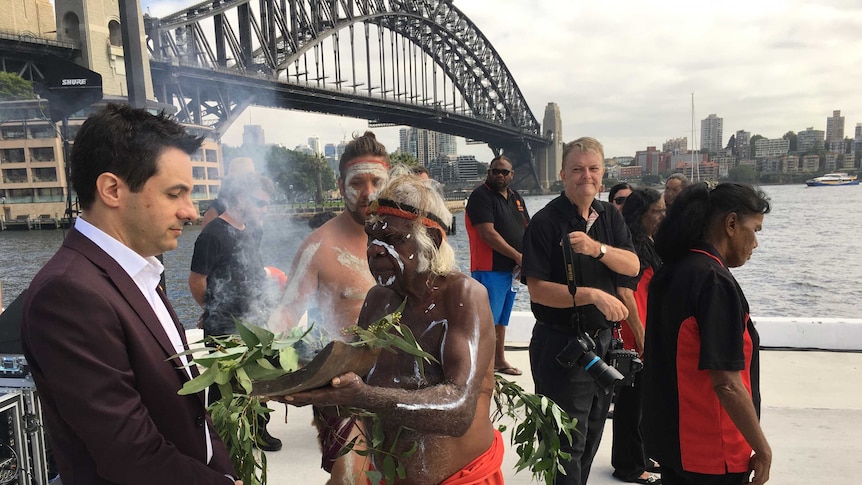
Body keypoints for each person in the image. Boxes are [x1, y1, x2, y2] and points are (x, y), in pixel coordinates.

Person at [20, 104, 240, 484]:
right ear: (112, 190)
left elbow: (190, 412)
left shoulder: (138, 270)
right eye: (175, 194)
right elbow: (128, 454)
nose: (190, 212)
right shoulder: (67, 295)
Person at [284, 169, 501, 484]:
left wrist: (362, 396)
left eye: (393, 239)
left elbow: (458, 410)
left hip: (462, 479)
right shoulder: (378, 299)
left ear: (434, 240)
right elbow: (358, 377)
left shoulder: (463, 296)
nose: (374, 249)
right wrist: (301, 379)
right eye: (371, 237)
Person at [266, 130, 390, 481]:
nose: (368, 193)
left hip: (402, 380)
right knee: (350, 475)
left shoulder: (409, 238)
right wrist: (255, 359)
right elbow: (286, 311)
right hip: (343, 382)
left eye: (376, 181)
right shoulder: (318, 246)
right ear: (340, 185)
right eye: (357, 182)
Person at [521, 137, 640, 485]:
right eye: (577, 169)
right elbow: (538, 291)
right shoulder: (546, 222)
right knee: (563, 445)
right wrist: (590, 295)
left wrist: (596, 249)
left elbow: (632, 265)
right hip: (562, 345)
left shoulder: (608, 217)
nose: (585, 176)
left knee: (590, 435)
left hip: (600, 344)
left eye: (593, 169)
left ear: (602, 174)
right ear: (563, 174)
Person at [643, 183, 772, 485]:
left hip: (675, 444)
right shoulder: (713, 282)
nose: (755, 243)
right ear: (731, 224)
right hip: (713, 451)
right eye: (755, 230)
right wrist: (762, 448)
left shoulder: (672, 270)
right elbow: (726, 383)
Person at [189, 172, 282, 452]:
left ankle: (259, 430)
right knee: (222, 386)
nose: (264, 209)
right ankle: (219, 442)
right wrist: (213, 310)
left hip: (255, 319)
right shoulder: (212, 235)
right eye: (259, 202)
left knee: (259, 377)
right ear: (240, 198)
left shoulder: (253, 229)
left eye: (267, 204)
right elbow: (197, 282)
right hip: (223, 326)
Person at [611, 188, 665, 485]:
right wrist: (643, 339)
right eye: (657, 211)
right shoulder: (632, 249)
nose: (662, 215)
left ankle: (640, 456)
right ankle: (628, 465)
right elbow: (627, 295)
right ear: (641, 214)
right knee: (631, 405)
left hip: (644, 331)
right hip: (635, 337)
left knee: (642, 403)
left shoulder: (646, 244)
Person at [465, 155, 530, 375]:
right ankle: (482, 366)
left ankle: (499, 360)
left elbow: (527, 229)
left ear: (512, 174)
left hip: (511, 269)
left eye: (504, 172)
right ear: (488, 172)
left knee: (502, 318)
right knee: (487, 319)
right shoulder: (480, 196)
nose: (500, 175)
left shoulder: (515, 197)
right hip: (489, 268)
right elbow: (487, 233)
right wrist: (518, 256)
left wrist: (527, 259)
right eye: (495, 171)